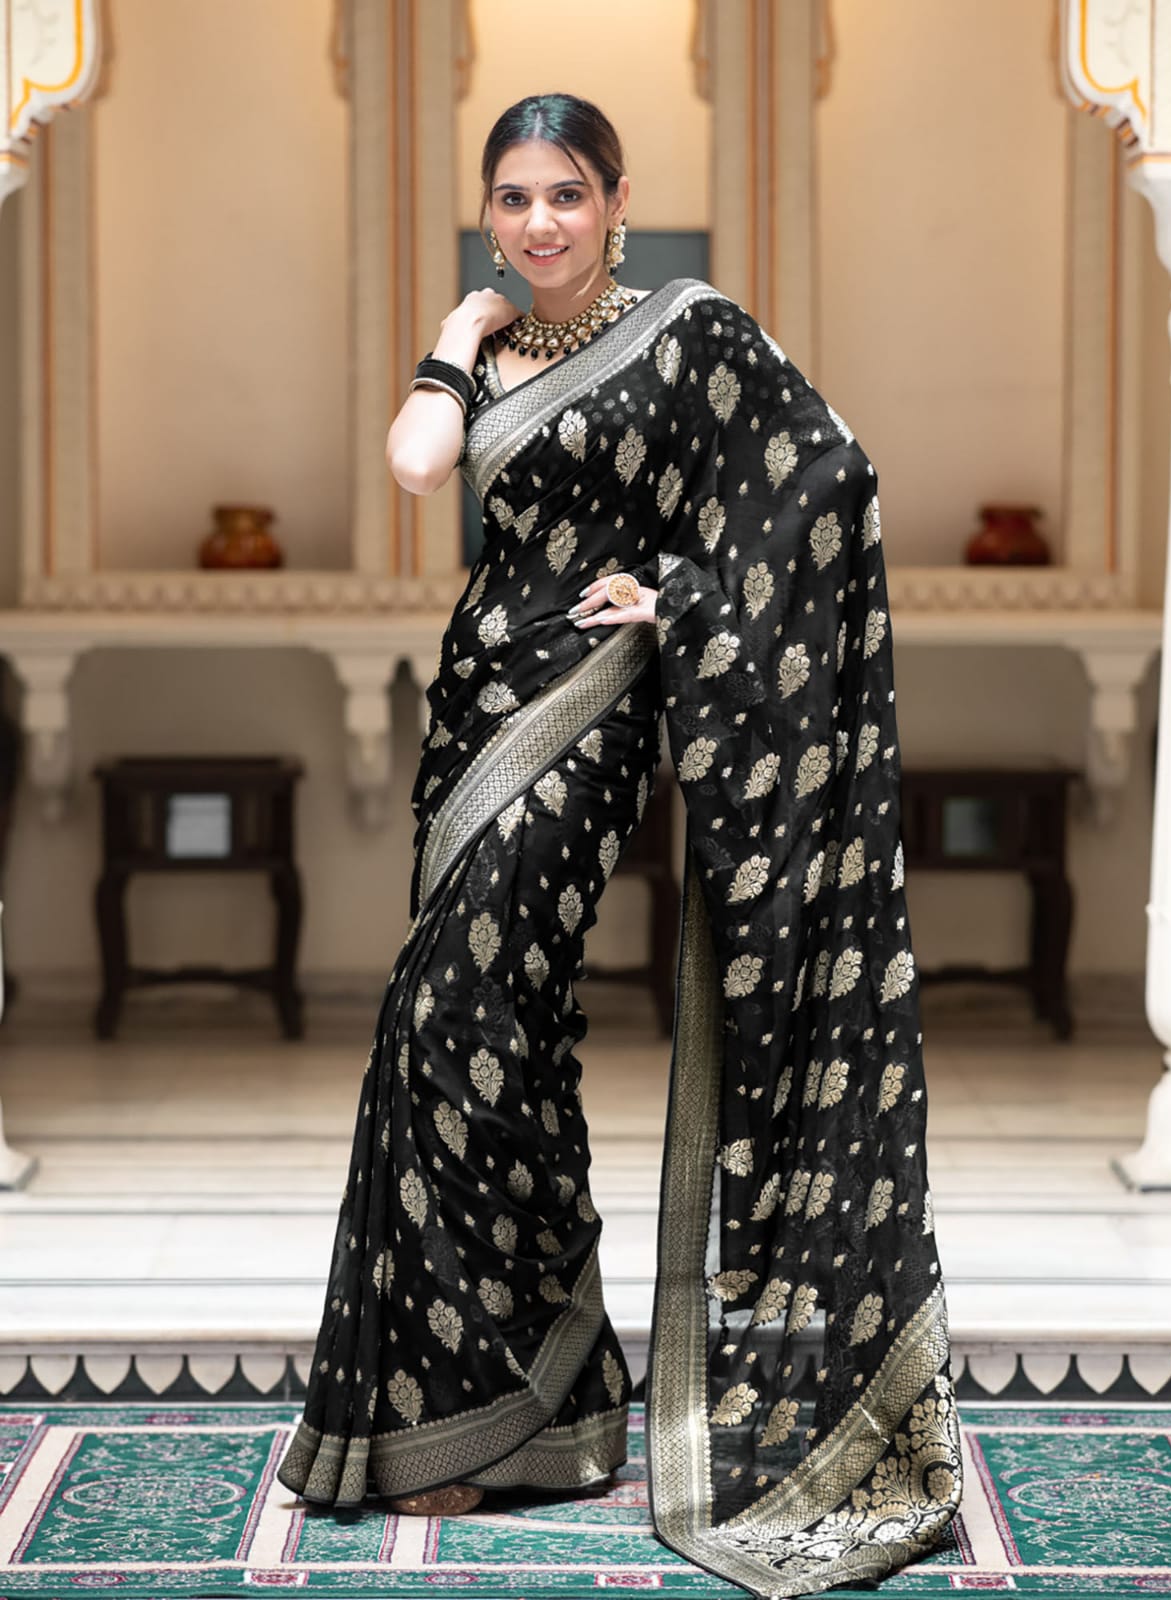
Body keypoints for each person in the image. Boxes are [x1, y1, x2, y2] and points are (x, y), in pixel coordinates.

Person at [276, 91, 964, 1598]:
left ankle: (498, 1401)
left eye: (566, 195)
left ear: (617, 200)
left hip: (584, 722)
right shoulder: (488, 350)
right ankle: (535, 1406)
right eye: (513, 199)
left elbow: (826, 477)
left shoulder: (689, 332)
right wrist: (454, 337)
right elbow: (417, 464)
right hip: (474, 715)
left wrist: (679, 599)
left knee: (461, 1017)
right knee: (482, 1031)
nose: (540, 223)